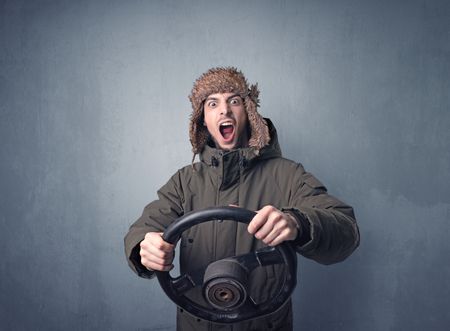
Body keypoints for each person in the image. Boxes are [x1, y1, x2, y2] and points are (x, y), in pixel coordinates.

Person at [124, 67, 360, 331]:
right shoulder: (184, 182)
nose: (224, 110)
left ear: (248, 113)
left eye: (233, 101)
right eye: (212, 103)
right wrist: (145, 246)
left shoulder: (287, 175)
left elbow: (345, 230)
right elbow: (144, 226)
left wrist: (298, 223)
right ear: (203, 120)